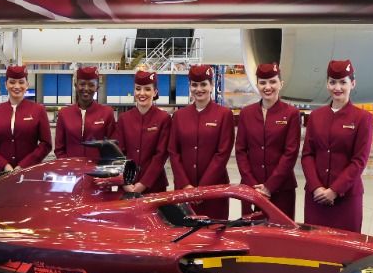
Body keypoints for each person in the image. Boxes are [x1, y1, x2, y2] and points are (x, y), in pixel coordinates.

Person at [302, 59, 373, 233]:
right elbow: (307, 155)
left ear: (353, 83)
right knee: (315, 249)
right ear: (327, 84)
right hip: (316, 198)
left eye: (343, 82)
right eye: (332, 82)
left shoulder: (362, 118)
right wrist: (316, 187)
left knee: (345, 253)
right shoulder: (316, 116)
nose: (337, 88)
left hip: (346, 199)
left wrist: (334, 190)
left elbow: (359, 160)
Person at [235, 62, 303, 220]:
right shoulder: (246, 113)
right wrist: (253, 186)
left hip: (281, 190)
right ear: (257, 84)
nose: (268, 87)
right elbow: (240, 151)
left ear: (281, 83)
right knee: (251, 236)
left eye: (273, 81)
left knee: (280, 238)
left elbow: (290, 153)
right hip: (250, 190)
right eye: (263, 82)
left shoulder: (291, 114)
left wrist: (269, 187)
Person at [169, 63, 237, 219]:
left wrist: (202, 189)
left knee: (214, 233)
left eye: (203, 84)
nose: (199, 89)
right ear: (190, 87)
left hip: (214, 189)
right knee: (183, 235)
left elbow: (222, 153)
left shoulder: (224, 115)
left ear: (212, 85)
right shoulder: (179, 116)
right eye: (194, 85)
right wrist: (185, 185)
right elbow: (173, 152)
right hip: (183, 191)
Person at [0, 64, 52, 172]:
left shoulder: (38, 110)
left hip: (30, 172)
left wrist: (24, 165)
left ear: (27, 85)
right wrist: (4, 165)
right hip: (1, 174)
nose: (17, 86)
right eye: (12, 82)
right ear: (6, 84)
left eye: (21, 82)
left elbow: (46, 144)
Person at [115, 70, 170, 194]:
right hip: (127, 185)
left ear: (155, 92)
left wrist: (144, 183)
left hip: (154, 186)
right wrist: (125, 181)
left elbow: (161, 155)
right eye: (138, 89)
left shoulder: (163, 119)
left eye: (147, 89)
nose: (142, 93)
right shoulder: (124, 118)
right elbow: (119, 153)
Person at [54, 65, 116, 160]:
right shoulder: (64, 114)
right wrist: (69, 167)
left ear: (97, 87)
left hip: (97, 170)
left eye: (91, 85)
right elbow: (59, 149)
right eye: (82, 84)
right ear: (76, 85)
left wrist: (101, 168)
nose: (86, 88)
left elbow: (112, 147)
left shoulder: (107, 113)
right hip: (70, 171)